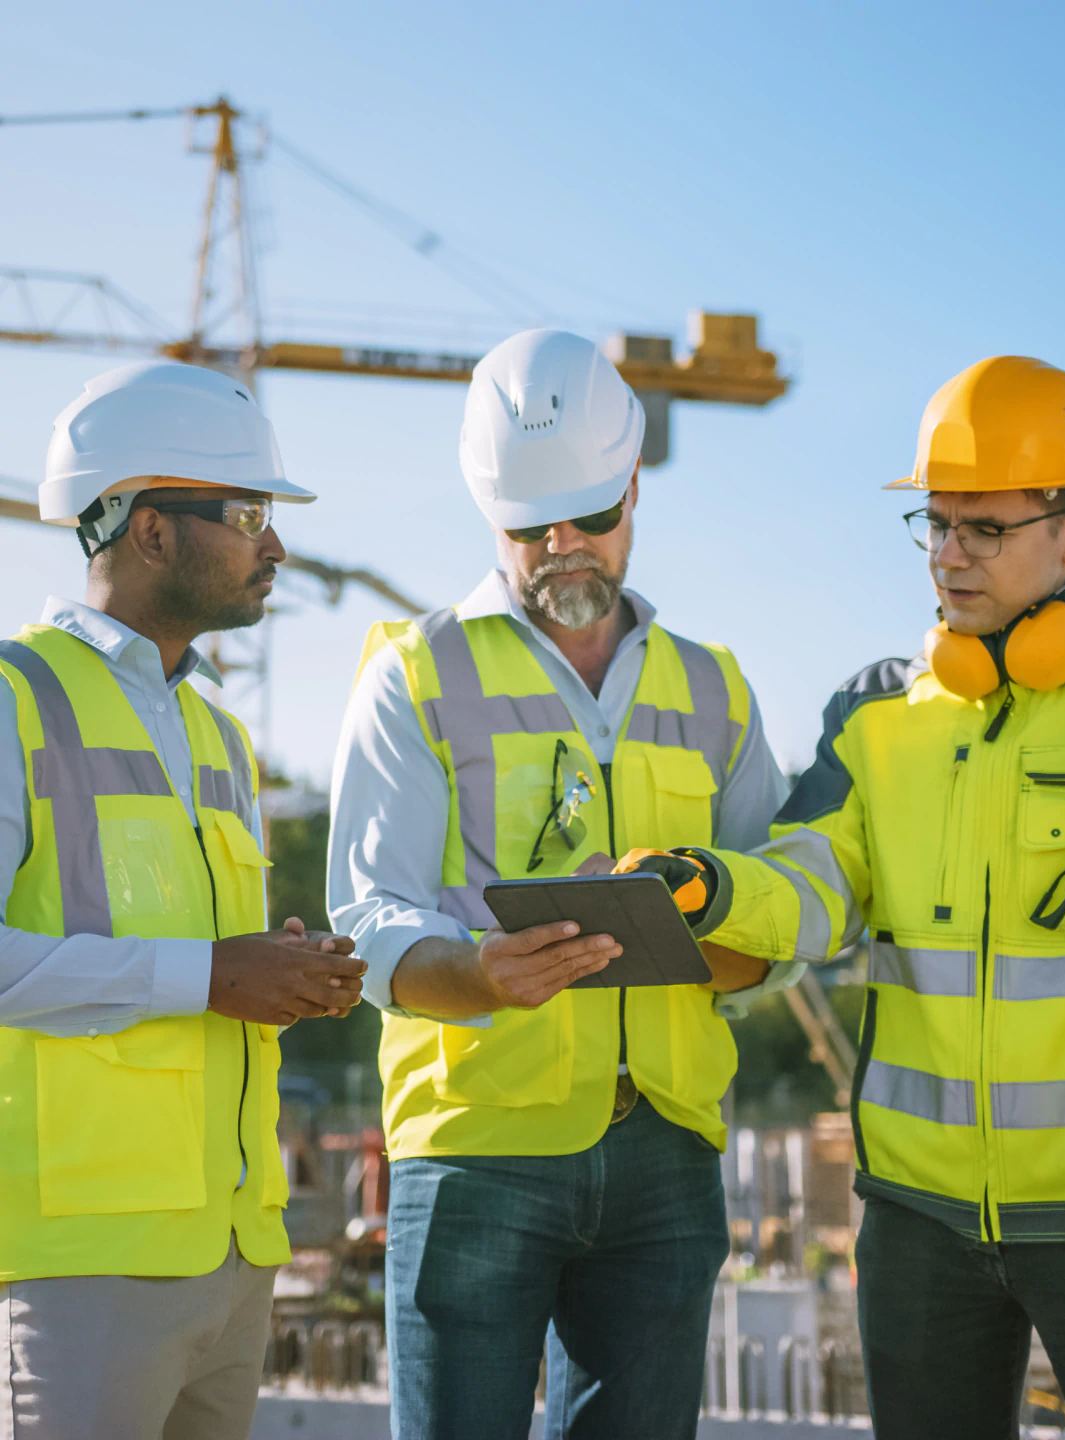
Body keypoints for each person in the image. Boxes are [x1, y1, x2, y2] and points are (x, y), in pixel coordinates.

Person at [636, 355, 1065, 1439]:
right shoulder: (874, 715)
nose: (948, 554)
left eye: (985, 528)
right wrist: (706, 887)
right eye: (936, 524)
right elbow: (813, 883)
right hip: (918, 1224)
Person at [327, 328, 790, 1440]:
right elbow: (369, 913)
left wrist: (716, 920)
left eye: (589, 516)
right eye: (533, 528)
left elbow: (781, 894)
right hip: (478, 1145)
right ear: (491, 513)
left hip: (666, 1148)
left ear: (635, 485)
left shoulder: (713, 687)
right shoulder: (415, 676)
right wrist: (474, 971)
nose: (563, 547)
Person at [0, 360, 365, 1440]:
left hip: (234, 1257)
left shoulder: (220, 733)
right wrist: (210, 975)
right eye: (250, 513)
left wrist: (280, 971)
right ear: (152, 530)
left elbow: (201, 962)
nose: (277, 547)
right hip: (82, 1268)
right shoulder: (16, 698)